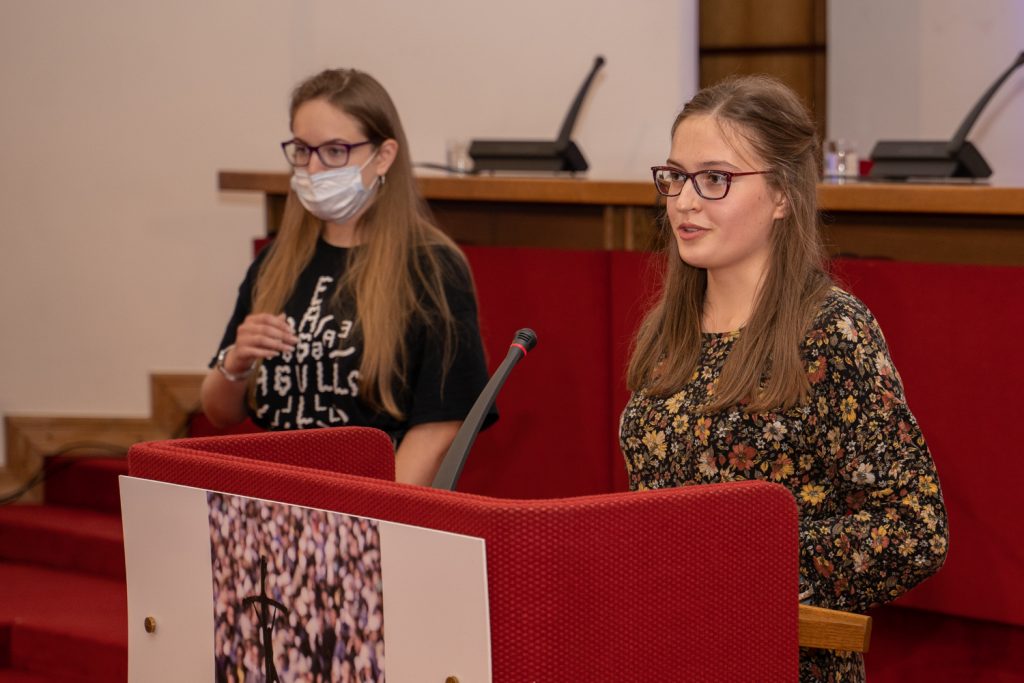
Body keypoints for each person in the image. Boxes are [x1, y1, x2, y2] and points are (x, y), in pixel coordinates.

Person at [619, 75, 948, 681]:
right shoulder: (670, 327)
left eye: (714, 178)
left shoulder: (829, 330)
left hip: (784, 662)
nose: (684, 201)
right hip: (673, 652)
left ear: (782, 194)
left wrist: (744, 565)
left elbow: (914, 527)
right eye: (675, 177)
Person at [201, 68, 494, 486]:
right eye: (302, 150)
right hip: (277, 499)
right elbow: (219, 412)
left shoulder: (431, 268)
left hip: (373, 501)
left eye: (335, 151)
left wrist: (366, 512)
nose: (314, 168)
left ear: (383, 156)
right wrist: (237, 361)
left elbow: (439, 429)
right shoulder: (275, 263)